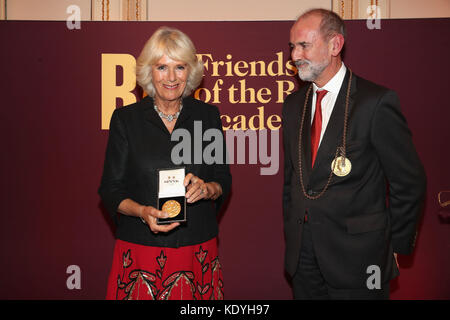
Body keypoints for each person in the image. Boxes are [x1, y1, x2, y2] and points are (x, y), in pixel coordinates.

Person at [282, 9, 426, 299]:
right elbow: (292, 180)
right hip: (304, 257)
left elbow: (409, 183)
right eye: (292, 47)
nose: (295, 55)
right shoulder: (293, 104)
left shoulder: (376, 103)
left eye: (304, 46)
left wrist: (395, 246)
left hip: (360, 257)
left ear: (335, 45)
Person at [98, 27, 231, 300]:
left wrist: (208, 189)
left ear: (190, 72)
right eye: (162, 67)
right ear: (149, 72)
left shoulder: (208, 117)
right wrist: (142, 211)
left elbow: (223, 179)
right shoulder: (126, 119)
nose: (171, 77)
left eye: (179, 67)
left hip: (197, 248)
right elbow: (110, 190)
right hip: (141, 249)